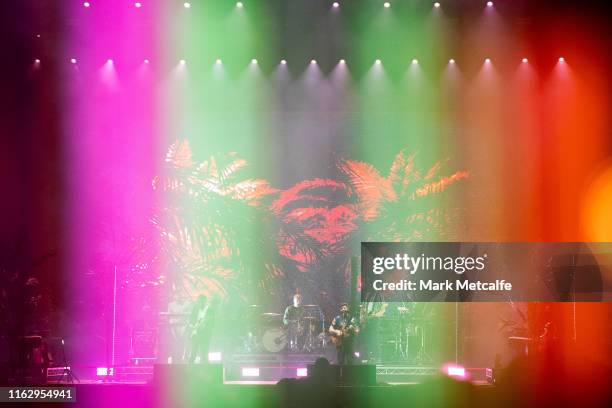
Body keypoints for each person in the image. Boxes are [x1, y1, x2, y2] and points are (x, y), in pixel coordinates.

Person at [188, 295, 211, 363]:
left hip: (205, 335)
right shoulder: (195, 309)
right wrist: (192, 326)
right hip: (196, 333)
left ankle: (206, 371)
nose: (200, 303)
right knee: (193, 353)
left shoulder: (209, 310)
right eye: (199, 302)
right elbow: (191, 320)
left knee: (204, 354)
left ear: (205, 302)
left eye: (202, 301)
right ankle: (189, 371)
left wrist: (206, 326)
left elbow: (212, 323)